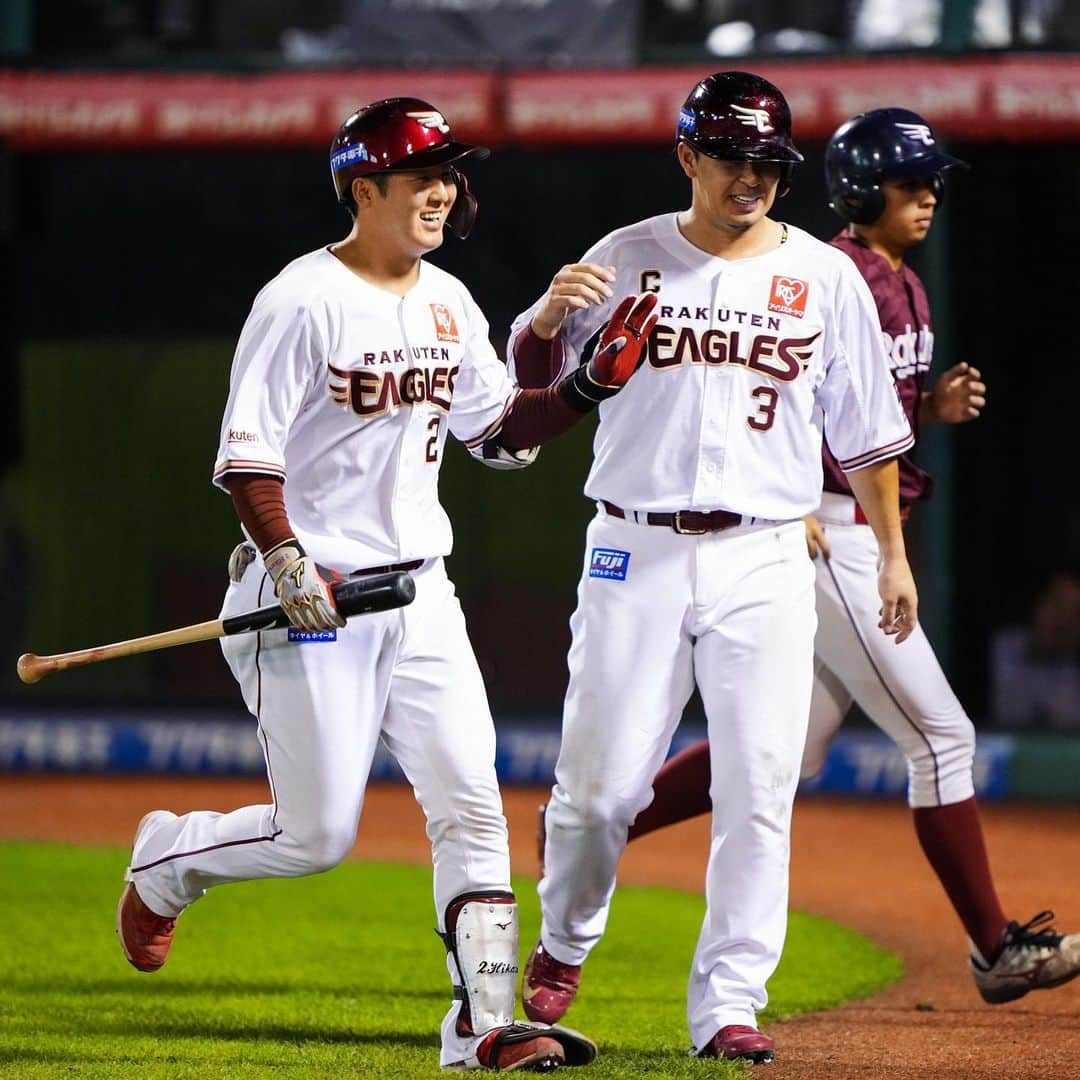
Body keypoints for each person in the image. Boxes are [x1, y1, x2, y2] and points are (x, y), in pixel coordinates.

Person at [113, 96, 658, 1073]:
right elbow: (247, 456)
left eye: (451, 174)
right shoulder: (300, 299)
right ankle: (169, 859)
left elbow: (498, 433)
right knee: (316, 834)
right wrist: (284, 558)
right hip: (306, 600)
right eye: (423, 175)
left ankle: (485, 1027)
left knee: (473, 804)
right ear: (364, 187)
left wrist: (584, 391)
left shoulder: (449, 300)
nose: (444, 191)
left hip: (420, 594)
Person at [573, 107, 1080, 1008]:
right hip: (819, 532)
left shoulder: (899, 282)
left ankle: (583, 834)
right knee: (941, 739)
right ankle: (996, 947)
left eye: (932, 181)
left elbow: (861, 414)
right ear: (858, 188)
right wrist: (822, 512)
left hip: (843, 524)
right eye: (909, 181)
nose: (927, 196)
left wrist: (926, 409)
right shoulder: (828, 270)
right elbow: (768, 405)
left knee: (793, 755)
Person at [507, 72, 918, 1066]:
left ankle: (729, 1001)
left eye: (771, 162)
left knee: (759, 784)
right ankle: (565, 938)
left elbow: (868, 437)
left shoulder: (823, 276)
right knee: (601, 794)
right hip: (633, 544)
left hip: (768, 551)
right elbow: (527, 403)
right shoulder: (625, 257)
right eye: (734, 158)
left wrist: (893, 557)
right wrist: (539, 321)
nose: (753, 178)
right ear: (688, 156)